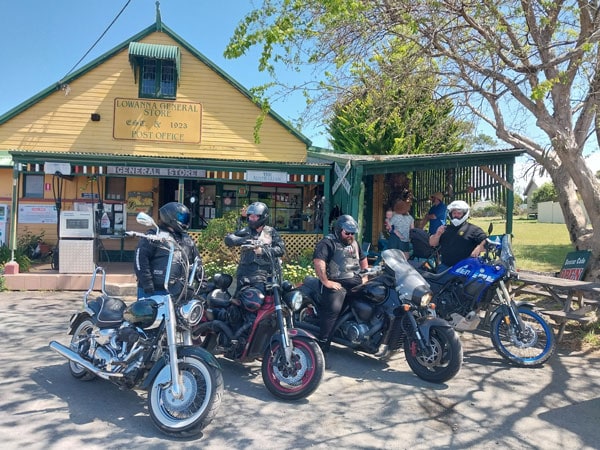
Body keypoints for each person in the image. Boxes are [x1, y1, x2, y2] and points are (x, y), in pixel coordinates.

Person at [313, 214, 368, 354]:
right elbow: (319, 262)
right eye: (347, 233)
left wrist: (366, 276)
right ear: (338, 230)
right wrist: (326, 282)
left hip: (355, 280)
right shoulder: (327, 243)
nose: (350, 235)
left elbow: (363, 258)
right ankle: (323, 345)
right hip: (336, 283)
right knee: (333, 310)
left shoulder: (354, 243)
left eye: (352, 233)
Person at [134, 202, 201, 300]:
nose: (185, 221)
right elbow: (140, 258)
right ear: (170, 216)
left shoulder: (187, 240)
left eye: (186, 218)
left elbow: (197, 261)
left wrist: (202, 282)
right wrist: (147, 283)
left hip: (178, 291)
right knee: (148, 314)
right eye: (182, 217)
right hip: (153, 289)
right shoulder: (154, 235)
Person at [224, 201, 285, 295]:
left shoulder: (270, 232)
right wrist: (244, 240)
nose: (251, 219)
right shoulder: (246, 231)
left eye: (254, 216)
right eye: (250, 216)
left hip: (264, 273)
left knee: (262, 300)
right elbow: (229, 239)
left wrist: (263, 251)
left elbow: (280, 249)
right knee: (239, 299)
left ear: (262, 217)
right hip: (245, 272)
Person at [429, 200, 487, 272]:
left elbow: (485, 241)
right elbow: (432, 243)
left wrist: (479, 247)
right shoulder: (444, 228)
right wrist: (437, 234)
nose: (456, 215)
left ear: (465, 214)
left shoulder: (473, 229)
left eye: (459, 213)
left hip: (466, 269)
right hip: (445, 267)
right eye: (454, 213)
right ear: (450, 214)